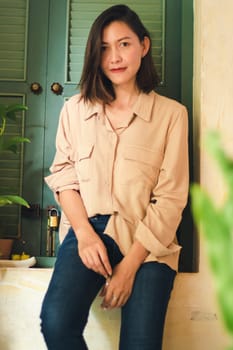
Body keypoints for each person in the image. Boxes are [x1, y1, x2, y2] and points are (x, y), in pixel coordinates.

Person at [40, 4, 189, 350]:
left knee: (140, 344)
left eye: (124, 44)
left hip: (148, 244)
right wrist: (84, 235)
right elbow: (64, 178)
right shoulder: (74, 110)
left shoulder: (172, 116)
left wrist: (129, 267)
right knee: (56, 321)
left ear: (144, 46)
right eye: (104, 48)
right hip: (88, 231)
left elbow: (171, 198)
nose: (114, 57)